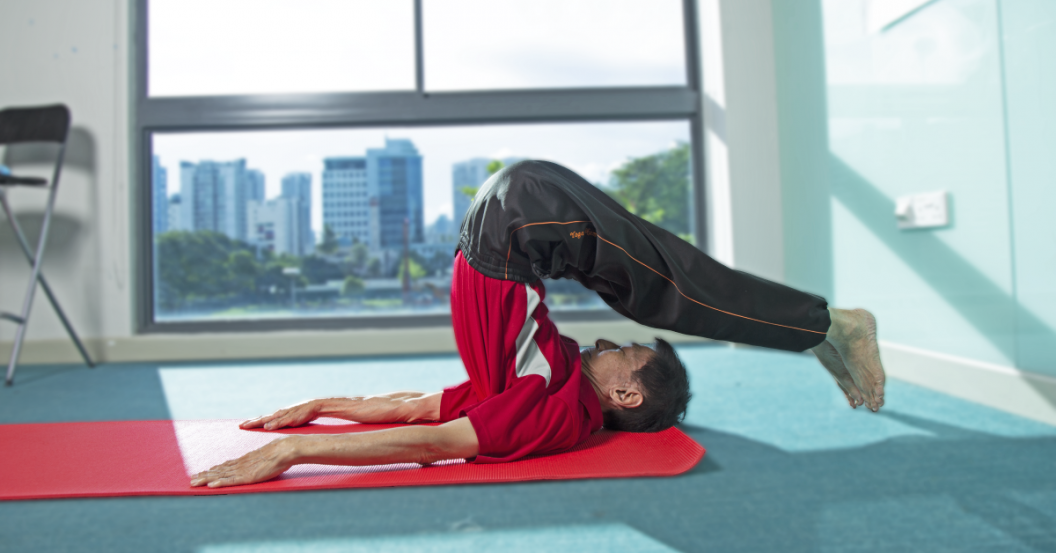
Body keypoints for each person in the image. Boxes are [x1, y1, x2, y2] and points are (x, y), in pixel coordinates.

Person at [191, 160, 885, 489]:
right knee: (659, 285)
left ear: (627, 397)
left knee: (665, 288)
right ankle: (823, 328)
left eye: (628, 356)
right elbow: (418, 417)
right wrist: (316, 411)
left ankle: (828, 326)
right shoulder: (554, 382)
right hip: (519, 219)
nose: (610, 343)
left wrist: (296, 446)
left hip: (511, 222)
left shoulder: (555, 416)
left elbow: (425, 427)